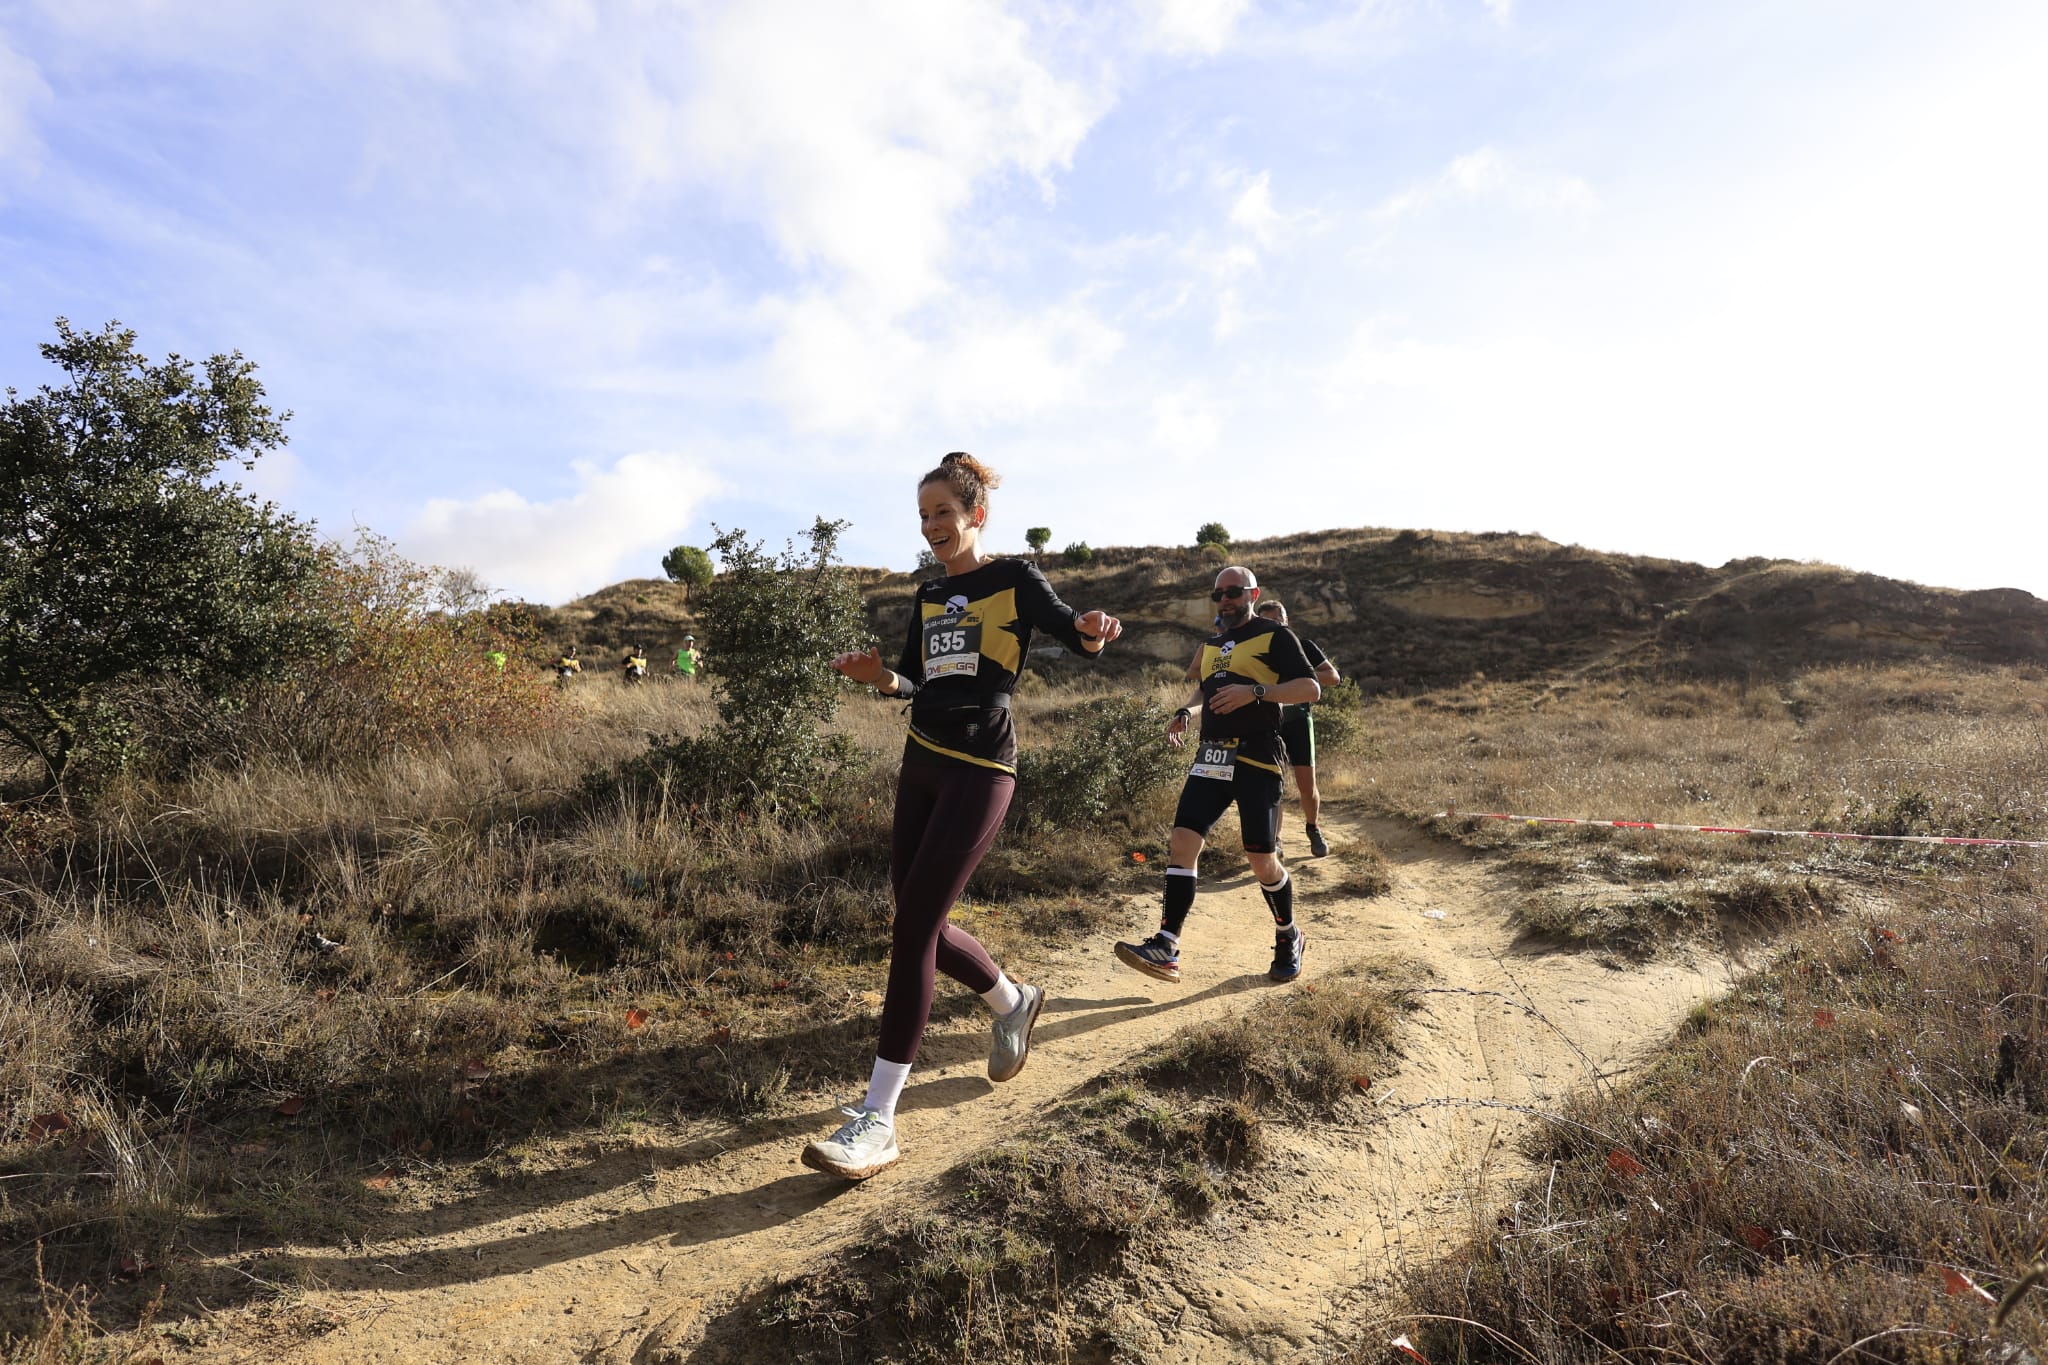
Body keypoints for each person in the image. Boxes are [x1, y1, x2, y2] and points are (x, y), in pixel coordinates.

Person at [803, 452, 1124, 1181]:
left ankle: (877, 1120)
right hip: (920, 762)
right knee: (919, 923)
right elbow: (911, 678)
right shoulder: (925, 594)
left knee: (913, 928)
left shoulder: (1014, 579)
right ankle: (1013, 1002)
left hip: (983, 766)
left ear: (976, 514)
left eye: (943, 512)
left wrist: (1098, 628)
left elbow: (1077, 633)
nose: (932, 526)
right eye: (923, 515)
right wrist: (877, 676)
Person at [1115, 565, 1320, 986]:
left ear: (1253, 593)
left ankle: (1288, 935)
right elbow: (1205, 693)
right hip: (1211, 755)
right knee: (1182, 841)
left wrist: (1256, 692)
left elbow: (1310, 688)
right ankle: (1167, 946)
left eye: (1233, 592)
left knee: (1262, 860)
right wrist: (1185, 714)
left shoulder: (1274, 635)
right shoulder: (1212, 644)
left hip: (1258, 754)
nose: (1225, 600)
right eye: (1218, 595)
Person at [1254, 597, 1341, 857]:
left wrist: (1298, 678)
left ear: (1287, 621)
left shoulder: (1303, 646)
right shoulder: (1256, 651)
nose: (1275, 627)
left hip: (1300, 720)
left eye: (1278, 622)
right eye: (1269, 623)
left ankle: (1313, 828)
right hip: (1269, 722)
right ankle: (1276, 840)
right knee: (1274, 785)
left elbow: (1333, 677)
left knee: (1307, 785)